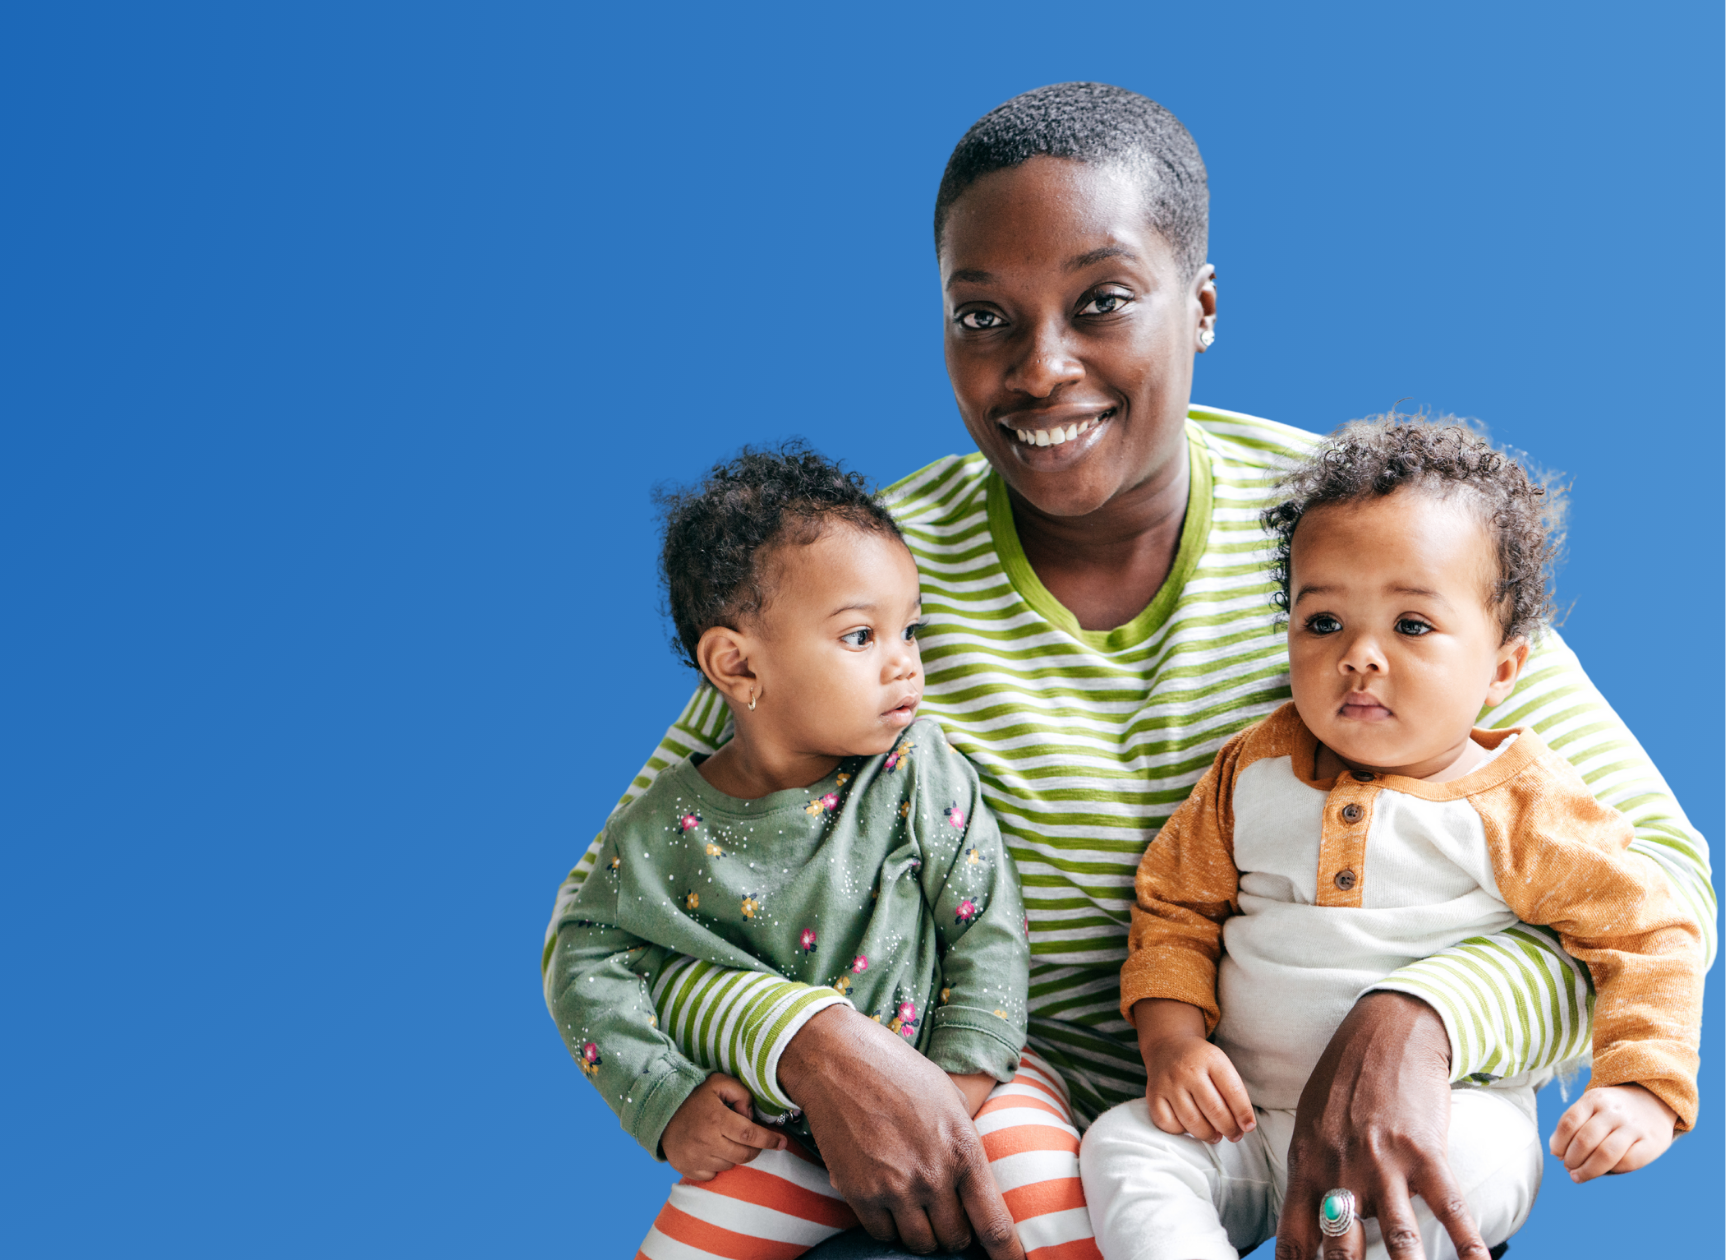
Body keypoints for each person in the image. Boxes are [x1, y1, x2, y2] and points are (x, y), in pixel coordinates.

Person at [538, 82, 1716, 1260]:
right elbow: (613, 915)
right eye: (981, 315)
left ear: (1198, 306)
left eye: (1101, 301)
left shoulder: (1362, 551)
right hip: (970, 1183)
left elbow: (1659, 882)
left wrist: (1426, 1017)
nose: (1039, 367)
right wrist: (800, 1037)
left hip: (1334, 1176)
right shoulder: (858, 591)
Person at [1080, 417, 1703, 1260]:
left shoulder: (1524, 803)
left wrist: (1643, 1088)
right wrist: (1173, 1043)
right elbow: (1172, 909)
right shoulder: (1251, 771)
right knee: (1123, 1148)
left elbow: (1648, 929)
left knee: (1460, 1181)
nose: (1360, 656)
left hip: (1443, 1118)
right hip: (1250, 1124)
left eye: (1412, 627)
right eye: (1323, 621)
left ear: (1504, 671)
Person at [548, 443, 1058, 1258]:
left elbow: (989, 931)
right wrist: (663, 1098)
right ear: (738, 665)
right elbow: (585, 959)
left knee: (1051, 1208)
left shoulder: (920, 770)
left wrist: (957, 1087)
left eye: (910, 629)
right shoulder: (660, 832)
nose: (907, 664)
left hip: (975, 1085)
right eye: (862, 635)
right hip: (781, 1131)